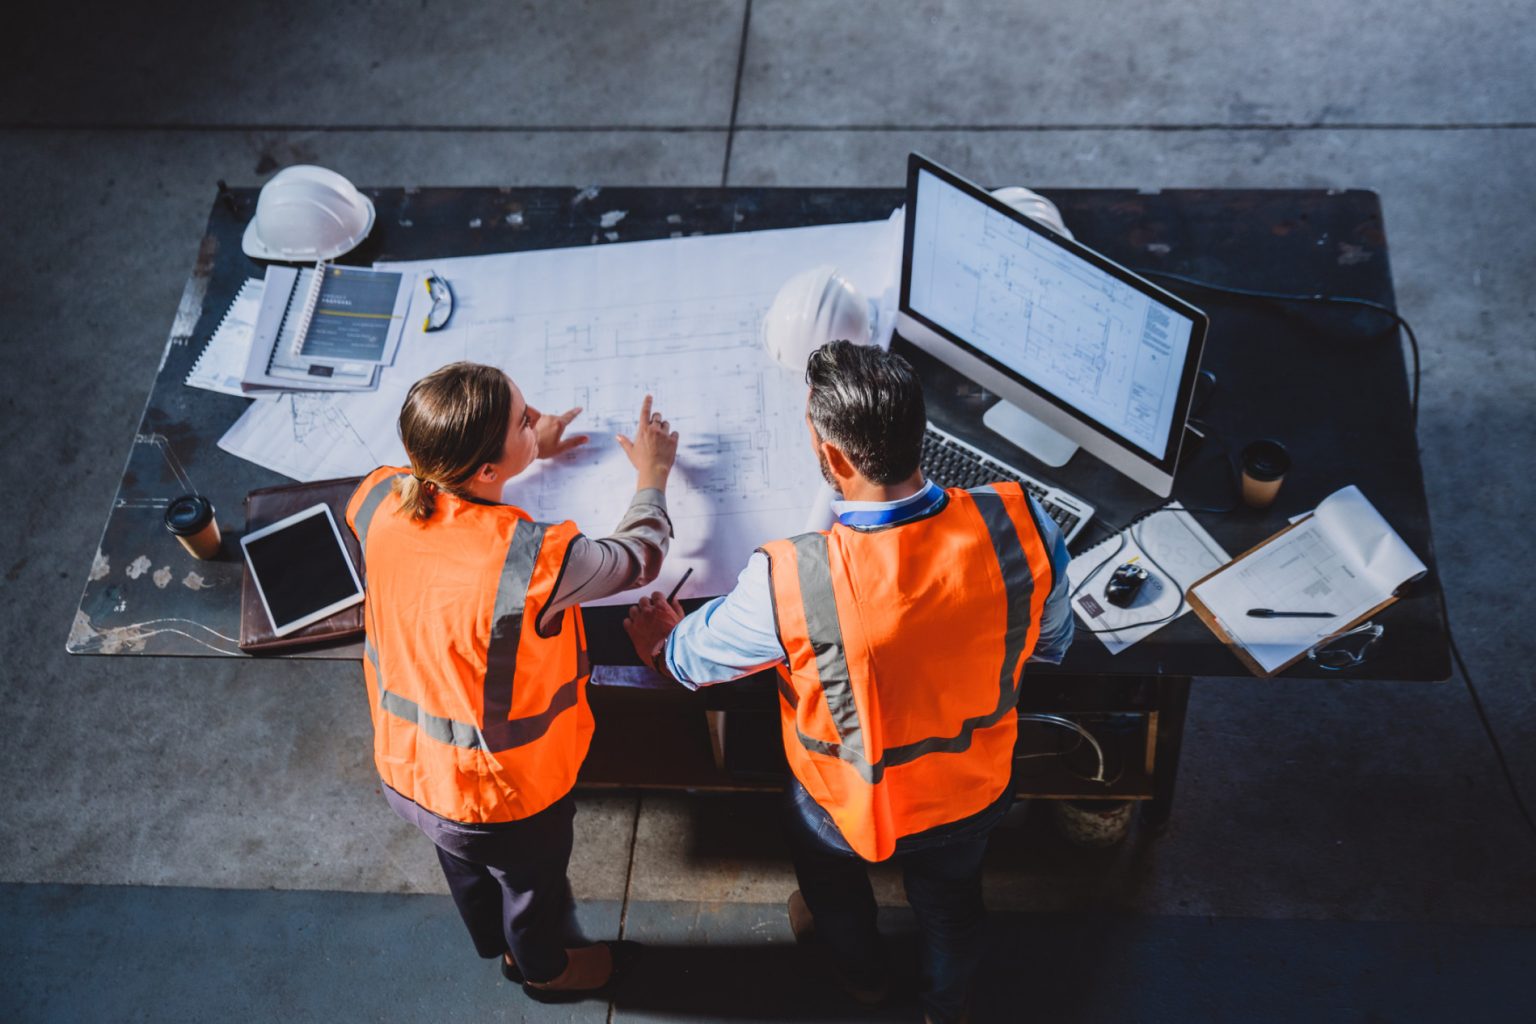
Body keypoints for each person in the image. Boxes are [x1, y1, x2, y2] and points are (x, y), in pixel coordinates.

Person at [622, 341, 1073, 1024]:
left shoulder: (792, 581)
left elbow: (688, 664)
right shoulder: (1021, 526)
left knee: (833, 892)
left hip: (843, 804)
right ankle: (945, 1009)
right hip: (971, 789)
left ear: (832, 458)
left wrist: (660, 640)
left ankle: (862, 981)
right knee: (952, 907)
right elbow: (1052, 642)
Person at [345, 361, 678, 1003]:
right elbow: (639, 557)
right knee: (534, 888)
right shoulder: (536, 560)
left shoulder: (379, 496)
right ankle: (545, 971)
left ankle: (497, 945)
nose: (539, 420)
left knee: (467, 871)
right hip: (502, 797)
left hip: (410, 770)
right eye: (526, 421)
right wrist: (652, 475)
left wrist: (529, 447)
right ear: (486, 472)